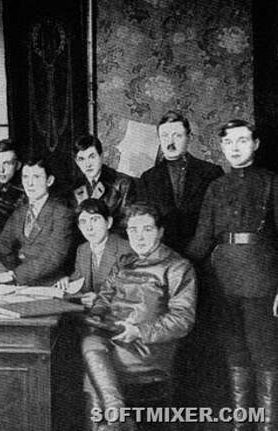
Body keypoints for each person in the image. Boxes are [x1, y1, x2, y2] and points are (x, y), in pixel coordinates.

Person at [187, 119, 278, 430]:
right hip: (222, 282)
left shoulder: (271, 182)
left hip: (262, 281)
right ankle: (242, 423)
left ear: (256, 144)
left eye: (242, 140)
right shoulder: (216, 187)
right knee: (235, 352)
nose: (235, 148)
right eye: (228, 142)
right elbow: (202, 240)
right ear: (222, 147)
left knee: (264, 353)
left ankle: (267, 425)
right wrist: (169, 265)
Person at [83, 202, 197, 430]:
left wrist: (138, 331)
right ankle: (116, 417)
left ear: (160, 231)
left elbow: (182, 319)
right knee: (92, 346)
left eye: (147, 229)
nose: (139, 237)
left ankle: (115, 416)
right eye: (133, 230)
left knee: (92, 362)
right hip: (113, 339)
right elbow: (104, 298)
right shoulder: (124, 262)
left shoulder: (177, 267)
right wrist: (96, 316)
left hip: (148, 347)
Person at [138, 111, 223, 253]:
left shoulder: (211, 173)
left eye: (177, 135)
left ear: (189, 138)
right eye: (165, 136)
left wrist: (198, 251)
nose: (170, 142)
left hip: (205, 254)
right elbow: (146, 222)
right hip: (163, 254)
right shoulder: (148, 178)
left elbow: (218, 221)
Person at [0, 158, 74, 286]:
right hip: (19, 282)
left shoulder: (61, 213)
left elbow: (53, 257)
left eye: (36, 177)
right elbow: (2, 247)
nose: (29, 184)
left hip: (50, 283)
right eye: (25, 177)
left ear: (49, 181)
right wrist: (11, 272)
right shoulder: (20, 212)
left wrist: (16, 275)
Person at [55, 199, 132, 307]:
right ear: (79, 227)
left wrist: (100, 299)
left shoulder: (125, 250)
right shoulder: (83, 249)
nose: (89, 228)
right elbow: (79, 281)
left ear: (108, 222)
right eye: (83, 222)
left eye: (94, 220)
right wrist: (68, 282)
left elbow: (131, 294)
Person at [67, 135, 135, 235]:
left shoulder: (123, 183)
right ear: (77, 162)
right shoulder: (74, 187)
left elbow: (127, 224)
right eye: (81, 159)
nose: (87, 164)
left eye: (92, 157)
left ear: (101, 156)